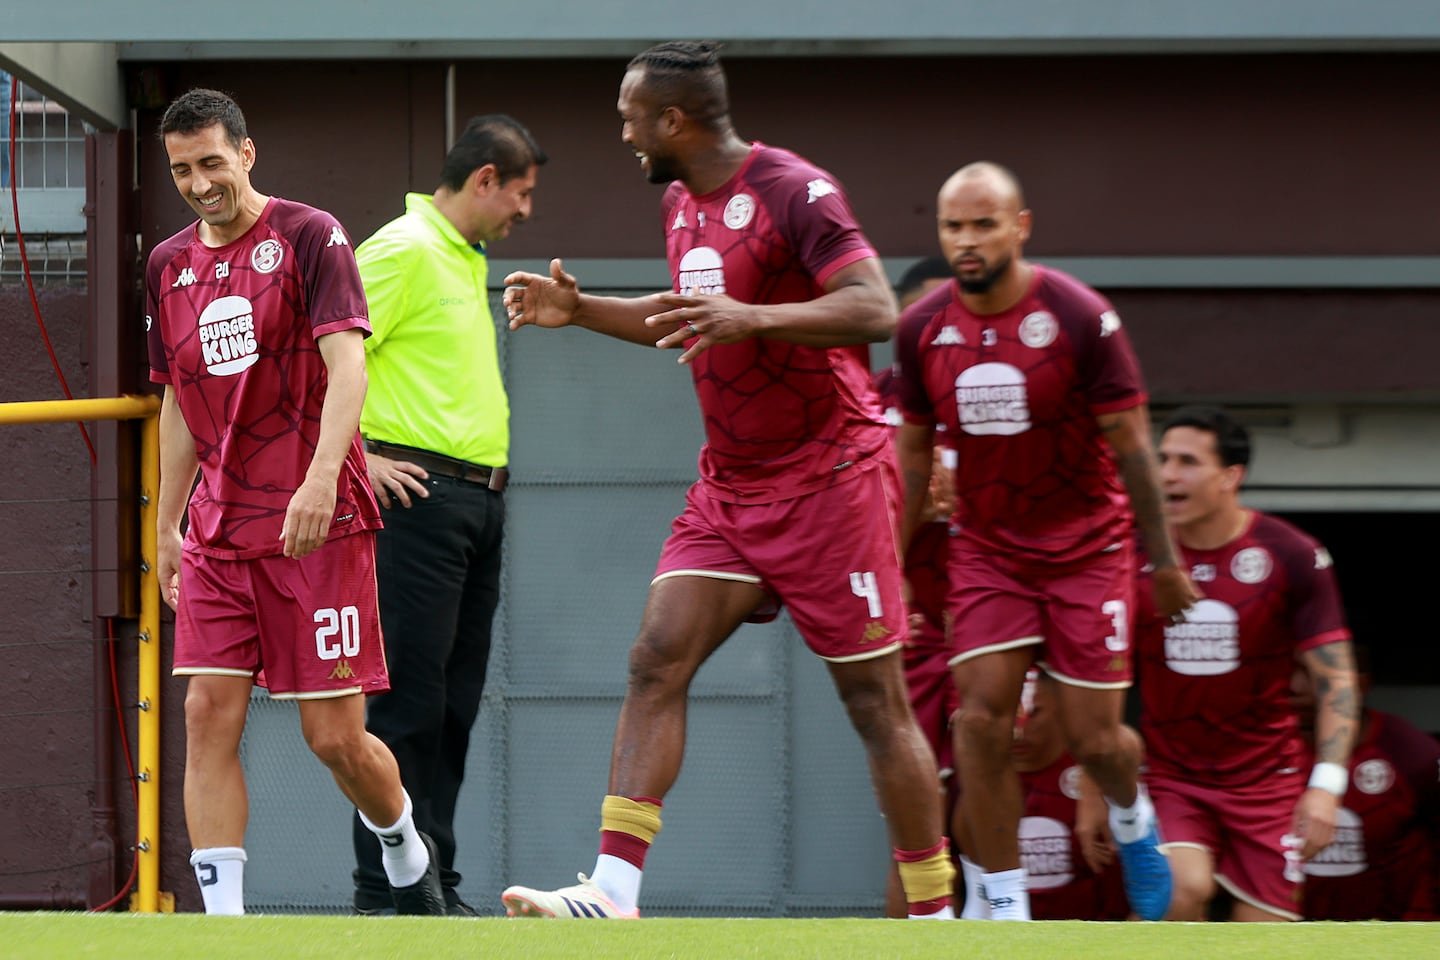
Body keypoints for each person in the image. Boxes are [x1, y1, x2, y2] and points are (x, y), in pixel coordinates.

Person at [497, 40, 954, 920]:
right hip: (732, 488)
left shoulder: (794, 189)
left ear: (674, 118)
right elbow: (687, 319)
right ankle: (614, 892)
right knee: (654, 660)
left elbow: (874, 307)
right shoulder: (679, 202)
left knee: (872, 700)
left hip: (832, 479)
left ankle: (937, 916)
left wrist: (756, 315)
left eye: (631, 116)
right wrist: (580, 310)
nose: (623, 132)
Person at [146, 88, 443, 916]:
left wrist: (319, 481)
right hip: (217, 532)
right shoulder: (168, 265)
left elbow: (349, 366)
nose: (200, 183)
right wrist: (166, 523)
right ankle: (227, 927)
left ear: (246, 152)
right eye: (181, 170)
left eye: (211, 162)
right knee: (206, 715)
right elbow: (177, 397)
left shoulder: (312, 235)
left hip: (319, 527)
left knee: (334, 739)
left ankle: (402, 844)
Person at [890, 161, 1199, 921]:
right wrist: (888, 564)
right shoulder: (921, 328)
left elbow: (1132, 446)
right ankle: (1004, 904)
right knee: (982, 722)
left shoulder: (1079, 314)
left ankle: (1133, 818)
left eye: (984, 224)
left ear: (1020, 227)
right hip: (988, 552)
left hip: (1087, 550)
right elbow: (911, 453)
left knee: (1096, 742)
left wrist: (1162, 561)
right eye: (953, 227)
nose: (967, 242)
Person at [349, 115, 546, 918]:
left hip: (478, 508)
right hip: (417, 503)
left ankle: (433, 888)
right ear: (486, 179)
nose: (528, 211)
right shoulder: (402, 248)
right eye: (523, 192)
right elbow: (307, 351)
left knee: (453, 709)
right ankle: (383, 893)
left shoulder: (463, 255)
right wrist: (356, 459)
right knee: (406, 708)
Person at [1134, 405, 1359, 921]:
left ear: (1230, 476)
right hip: (1171, 776)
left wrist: (1325, 788)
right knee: (1177, 892)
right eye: (1162, 459)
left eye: (1187, 461)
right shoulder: (1132, 552)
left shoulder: (1292, 553)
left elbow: (1336, 679)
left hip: (1268, 781)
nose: (1168, 474)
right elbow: (1097, 669)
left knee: (1263, 940)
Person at [1292, 649, 1440, 921]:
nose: (1295, 687)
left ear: (1358, 685)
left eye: (1314, 676)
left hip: (1395, 936)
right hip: (1287, 933)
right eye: (1289, 672)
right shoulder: (1259, 752)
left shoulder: (1413, 754)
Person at [1012, 670, 1131, 920]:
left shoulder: (1097, 777)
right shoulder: (975, 783)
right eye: (1012, 714)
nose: (1018, 729)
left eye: (1033, 713)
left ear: (1060, 706)